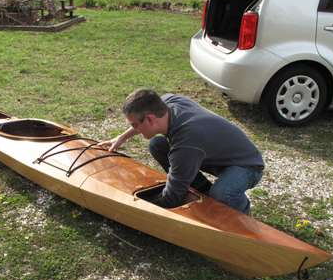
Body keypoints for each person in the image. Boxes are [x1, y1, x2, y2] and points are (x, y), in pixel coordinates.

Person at [99, 89, 264, 214]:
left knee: (222, 194)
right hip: (217, 152)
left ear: (150, 119)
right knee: (157, 144)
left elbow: (172, 197)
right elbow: (143, 118)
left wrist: (145, 206)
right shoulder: (167, 102)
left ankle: (243, 217)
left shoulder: (186, 143)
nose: (135, 129)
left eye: (135, 125)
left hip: (247, 166)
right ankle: (202, 191)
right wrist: (121, 137)